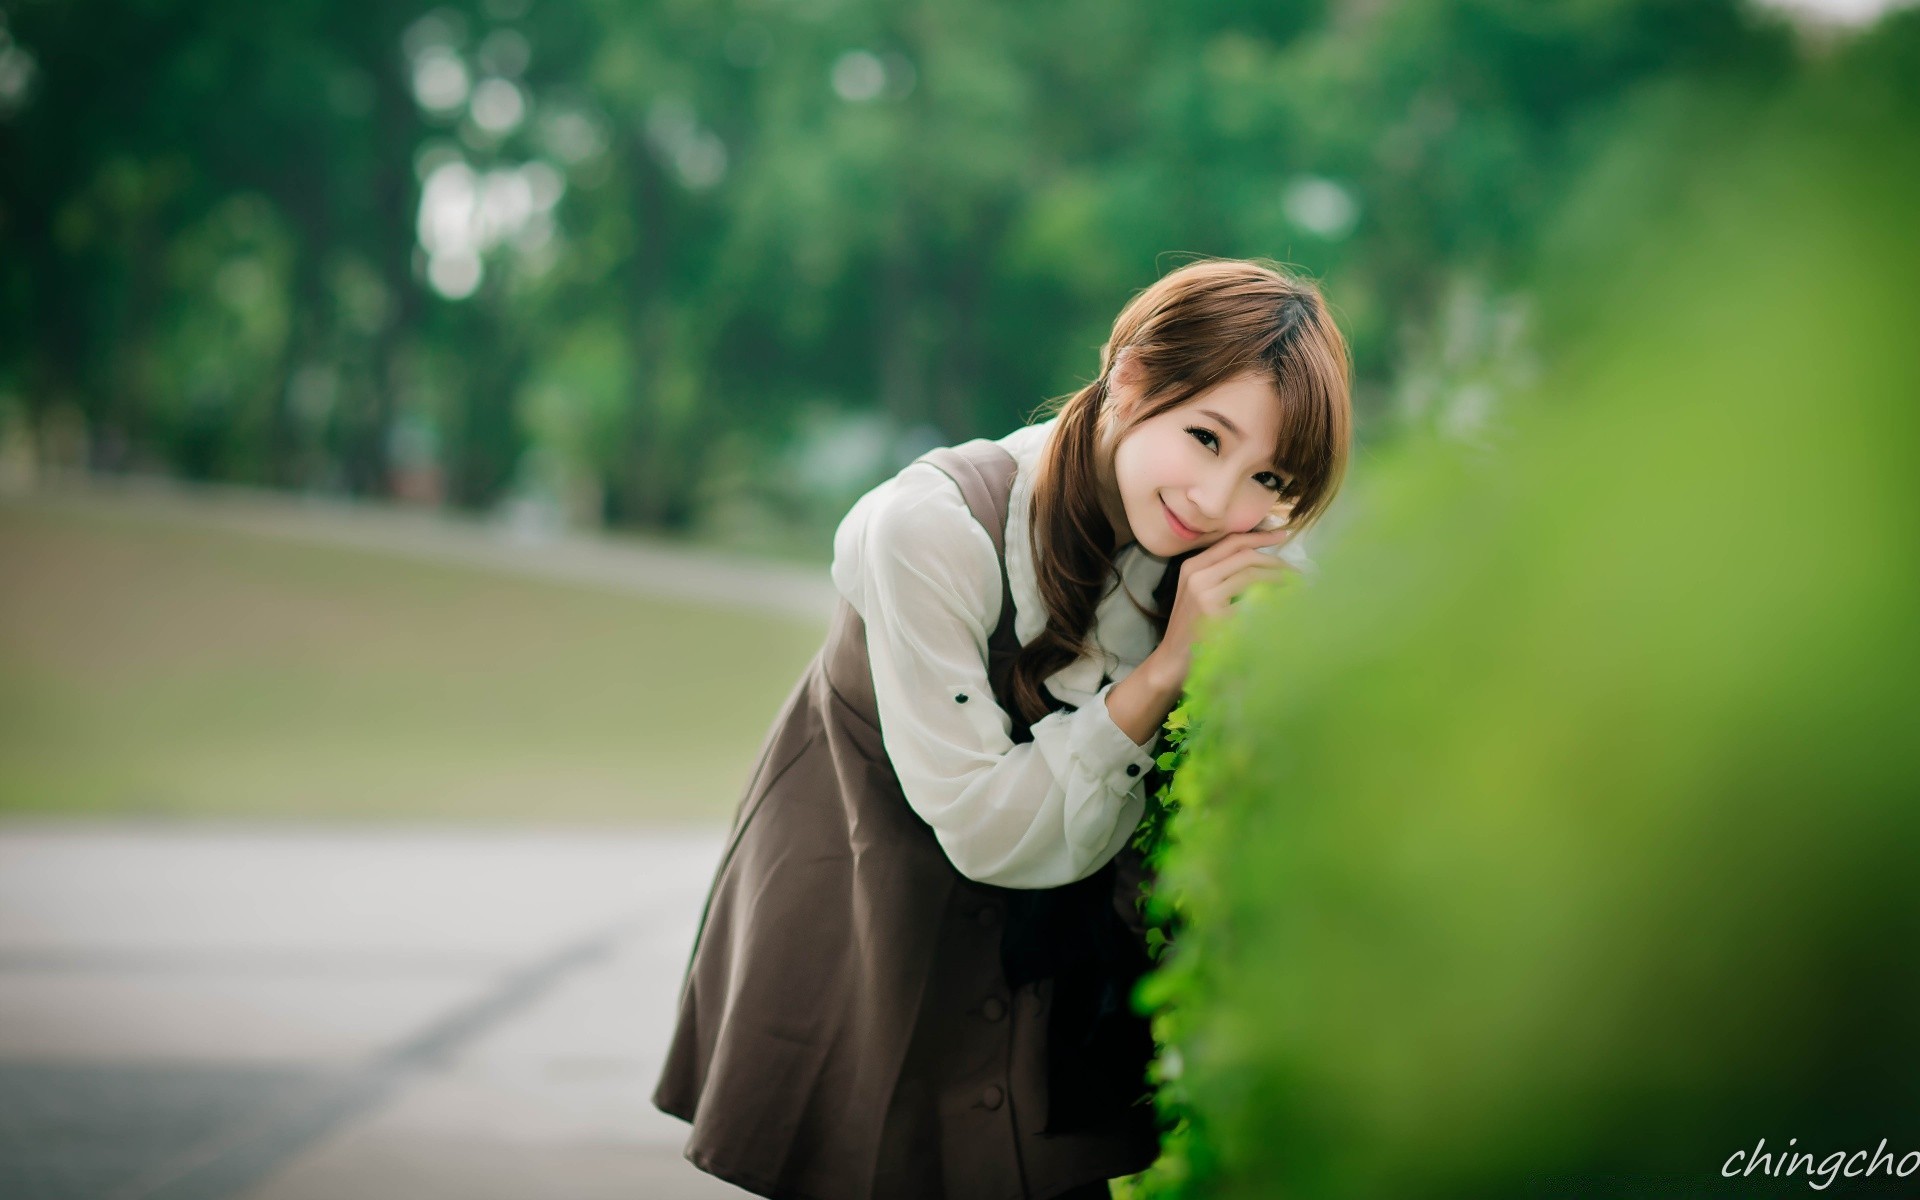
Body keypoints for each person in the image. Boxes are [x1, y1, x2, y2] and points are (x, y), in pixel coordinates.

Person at [652, 257, 1353, 1199]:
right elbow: (983, 823)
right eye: (1204, 437)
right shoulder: (928, 529)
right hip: (872, 924)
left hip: (1055, 969)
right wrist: (1164, 669)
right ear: (1132, 373)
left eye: (1265, 473)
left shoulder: (1225, 542)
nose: (1222, 501)